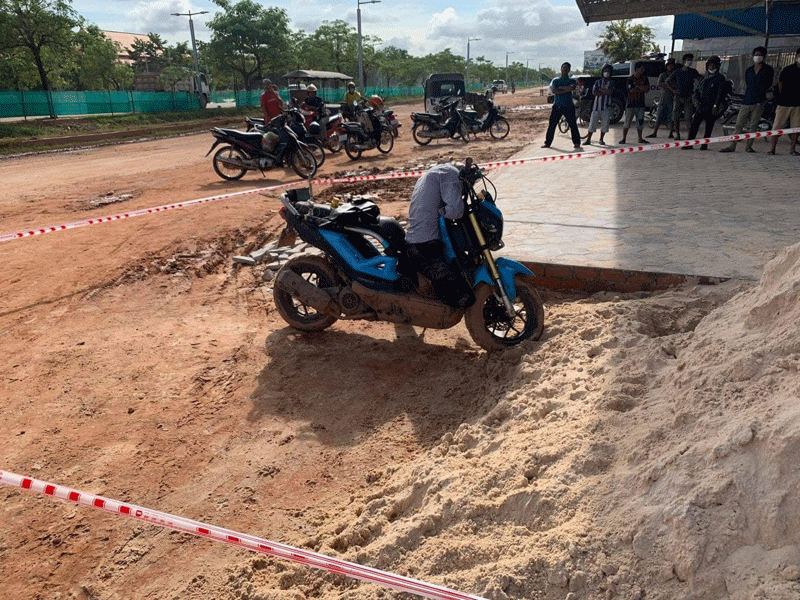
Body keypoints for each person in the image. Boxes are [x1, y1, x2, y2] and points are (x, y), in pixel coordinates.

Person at [405, 163, 474, 309]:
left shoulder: (436, 172)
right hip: (424, 245)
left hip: (418, 239)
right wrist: (442, 212)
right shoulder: (450, 174)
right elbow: (455, 210)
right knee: (460, 294)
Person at [720, 47, 774, 153]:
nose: (757, 56)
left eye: (760, 54)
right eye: (756, 54)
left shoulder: (768, 69)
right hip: (747, 100)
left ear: (764, 56)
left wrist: (760, 92)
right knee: (739, 124)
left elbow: (768, 84)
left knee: (753, 125)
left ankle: (749, 146)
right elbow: (748, 84)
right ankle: (732, 146)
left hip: (759, 101)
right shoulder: (749, 70)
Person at [683, 56, 727, 150]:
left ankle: (704, 144)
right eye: (710, 65)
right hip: (701, 104)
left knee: (709, 126)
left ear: (717, 66)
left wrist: (716, 105)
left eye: (714, 65)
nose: (712, 67)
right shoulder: (703, 77)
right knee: (694, 125)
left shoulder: (720, 78)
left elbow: (720, 93)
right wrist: (696, 101)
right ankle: (689, 143)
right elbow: (697, 90)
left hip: (712, 105)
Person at [767, 46, 800, 156]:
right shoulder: (788, 69)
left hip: (797, 105)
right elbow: (780, 84)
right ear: (796, 56)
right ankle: (772, 149)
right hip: (784, 103)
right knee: (777, 127)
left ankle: (792, 149)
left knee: (796, 128)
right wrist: (782, 96)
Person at [542, 62, 582, 151]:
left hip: (569, 105)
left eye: (567, 68)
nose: (565, 69)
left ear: (569, 70)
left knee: (573, 125)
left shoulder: (572, 81)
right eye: (564, 67)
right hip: (557, 106)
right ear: (561, 69)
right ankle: (547, 143)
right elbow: (554, 91)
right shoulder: (556, 80)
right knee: (552, 125)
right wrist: (567, 89)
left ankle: (577, 142)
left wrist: (561, 89)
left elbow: (575, 91)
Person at [666, 53, 702, 140]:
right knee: (676, 117)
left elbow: (700, 79)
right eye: (688, 60)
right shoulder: (677, 72)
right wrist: (673, 90)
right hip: (678, 96)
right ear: (684, 61)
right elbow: (667, 81)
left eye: (690, 60)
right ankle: (677, 134)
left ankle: (690, 136)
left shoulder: (693, 71)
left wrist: (696, 90)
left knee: (688, 117)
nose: (689, 62)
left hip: (688, 96)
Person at [619, 61, 649, 144]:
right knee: (627, 122)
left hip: (640, 103)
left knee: (640, 122)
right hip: (631, 103)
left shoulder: (645, 78)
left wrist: (637, 86)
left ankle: (640, 138)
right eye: (641, 68)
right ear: (637, 69)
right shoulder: (630, 79)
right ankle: (624, 138)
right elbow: (631, 90)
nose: (643, 70)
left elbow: (647, 89)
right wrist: (641, 87)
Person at [584, 64, 614, 145]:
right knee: (592, 124)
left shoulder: (612, 82)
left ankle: (601, 139)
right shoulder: (598, 82)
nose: (606, 73)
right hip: (596, 107)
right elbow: (595, 92)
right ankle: (588, 139)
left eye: (608, 71)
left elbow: (610, 92)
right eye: (605, 71)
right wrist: (605, 91)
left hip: (607, 107)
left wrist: (601, 91)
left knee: (605, 124)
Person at [646, 58, 677, 138]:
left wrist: (667, 85)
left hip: (672, 99)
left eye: (672, 65)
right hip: (663, 98)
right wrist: (670, 85)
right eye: (669, 65)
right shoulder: (663, 75)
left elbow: (676, 85)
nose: (670, 67)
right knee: (659, 116)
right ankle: (655, 132)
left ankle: (670, 133)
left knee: (671, 117)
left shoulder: (676, 75)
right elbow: (659, 84)